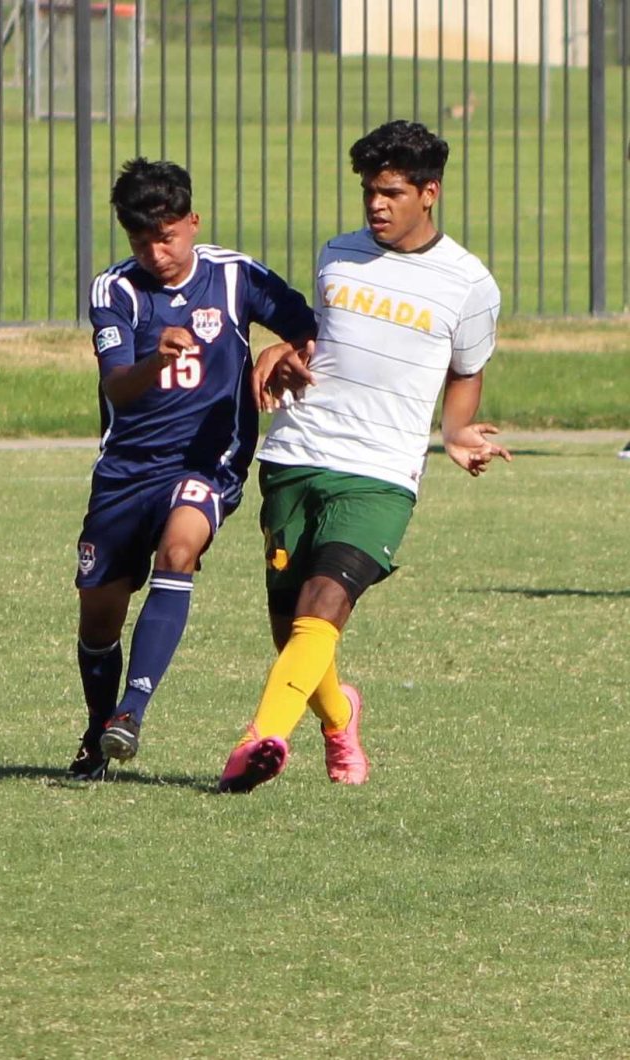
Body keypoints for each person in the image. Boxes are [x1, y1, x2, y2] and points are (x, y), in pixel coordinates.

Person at [218, 119, 511, 794]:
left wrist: (458, 430)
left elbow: (466, 370)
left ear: (428, 193)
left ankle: (259, 738)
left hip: (380, 474)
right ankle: (338, 714)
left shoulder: (468, 283)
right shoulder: (337, 255)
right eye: (368, 193)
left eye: (390, 192)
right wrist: (280, 353)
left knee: (324, 606)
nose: (375, 205)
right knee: (291, 626)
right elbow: (321, 341)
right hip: (296, 452)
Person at [68, 157, 317, 780]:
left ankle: (131, 712)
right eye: (141, 239)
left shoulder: (235, 277)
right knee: (99, 614)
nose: (156, 251)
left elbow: (313, 327)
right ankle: (99, 734)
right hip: (127, 470)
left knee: (179, 550)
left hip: (208, 463)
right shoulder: (115, 291)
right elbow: (119, 389)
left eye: (167, 235)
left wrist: (281, 349)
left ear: (192, 221)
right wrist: (158, 357)